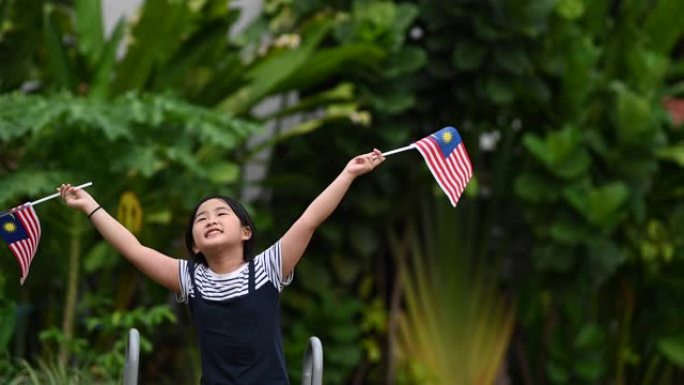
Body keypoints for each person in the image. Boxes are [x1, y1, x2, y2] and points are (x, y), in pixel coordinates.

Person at [58, 149, 385, 385]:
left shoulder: (269, 267)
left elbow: (310, 220)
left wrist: (349, 173)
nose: (210, 220)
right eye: (201, 219)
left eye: (221, 214)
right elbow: (133, 248)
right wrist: (90, 206)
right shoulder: (190, 279)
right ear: (195, 244)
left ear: (246, 232)